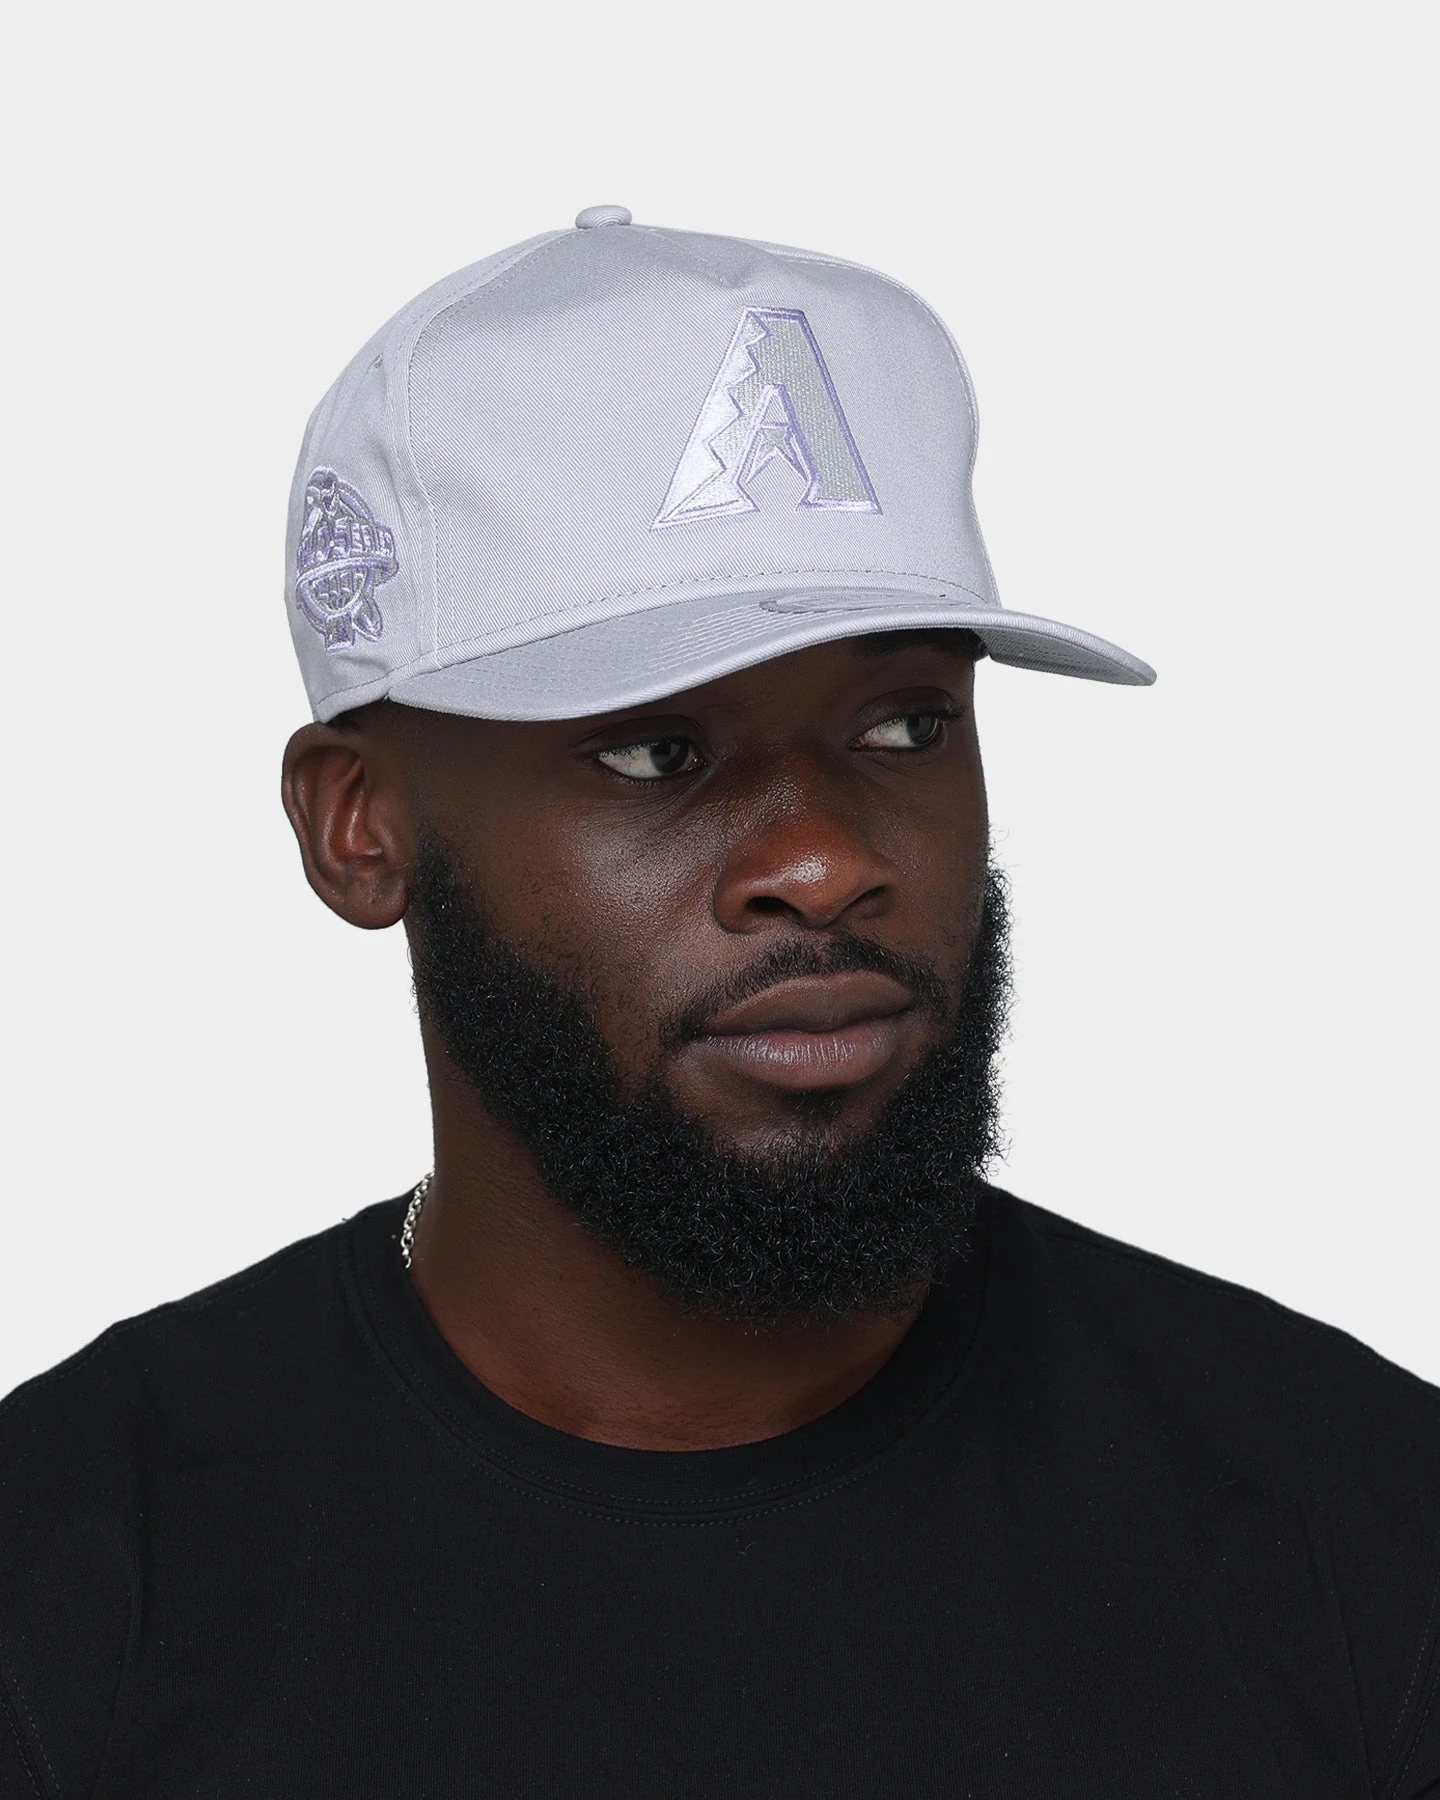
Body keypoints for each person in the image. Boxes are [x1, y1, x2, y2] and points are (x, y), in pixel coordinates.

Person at [2, 206, 1436, 1800]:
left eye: (903, 726)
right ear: (360, 826)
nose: (824, 861)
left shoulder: (1355, 1525)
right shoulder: (77, 1587)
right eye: (652, 752)